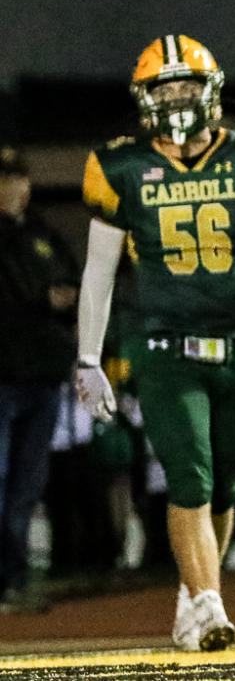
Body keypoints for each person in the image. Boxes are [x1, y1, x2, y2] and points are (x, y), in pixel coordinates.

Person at [72, 35, 235, 650]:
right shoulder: (121, 166)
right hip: (165, 347)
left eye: (185, 87)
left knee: (225, 486)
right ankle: (208, 603)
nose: (176, 99)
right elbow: (99, 272)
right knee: (191, 478)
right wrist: (88, 357)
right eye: (163, 89)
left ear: (211, 92)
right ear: (144, 99)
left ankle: (191, 595)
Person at [0, 147, 81, 613]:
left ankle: (13, 578)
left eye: (21, 179)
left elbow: (70, 278)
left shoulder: (41, 231)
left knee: (27, 484)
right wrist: (41, 299)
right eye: (9, 179)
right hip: (5, 376)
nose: (18, 188)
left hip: (43, 376)